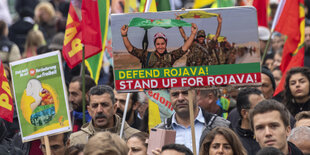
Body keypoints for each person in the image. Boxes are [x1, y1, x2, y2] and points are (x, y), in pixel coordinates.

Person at [156, 89, 230, 153]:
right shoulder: (160, 131)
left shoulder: (221, 125)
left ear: (197, 93)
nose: (180, 98)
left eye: (186, 93)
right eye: (175, 94)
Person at [69, 85, 140, 146]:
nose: (99, 110)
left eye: (104, 105)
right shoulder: (76, 140)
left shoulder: (135, 137)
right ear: (89, 110)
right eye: (95, 106)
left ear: (114, 108)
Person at [120, 23, 197, 68]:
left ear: (166, 44)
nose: (160, 46)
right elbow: (131, 49)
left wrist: (193, 34)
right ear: (155, 45)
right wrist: (124, 35)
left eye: (162, 44)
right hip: (151, 93)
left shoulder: (171, 56)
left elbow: (184, 48)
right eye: (158, 44)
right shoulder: (147, 56)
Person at [232, 88, 264, 155]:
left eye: (267, 106)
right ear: (244, 113)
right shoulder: (232, 139)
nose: (266, 111)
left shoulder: (269, 134)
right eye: (259, 108)